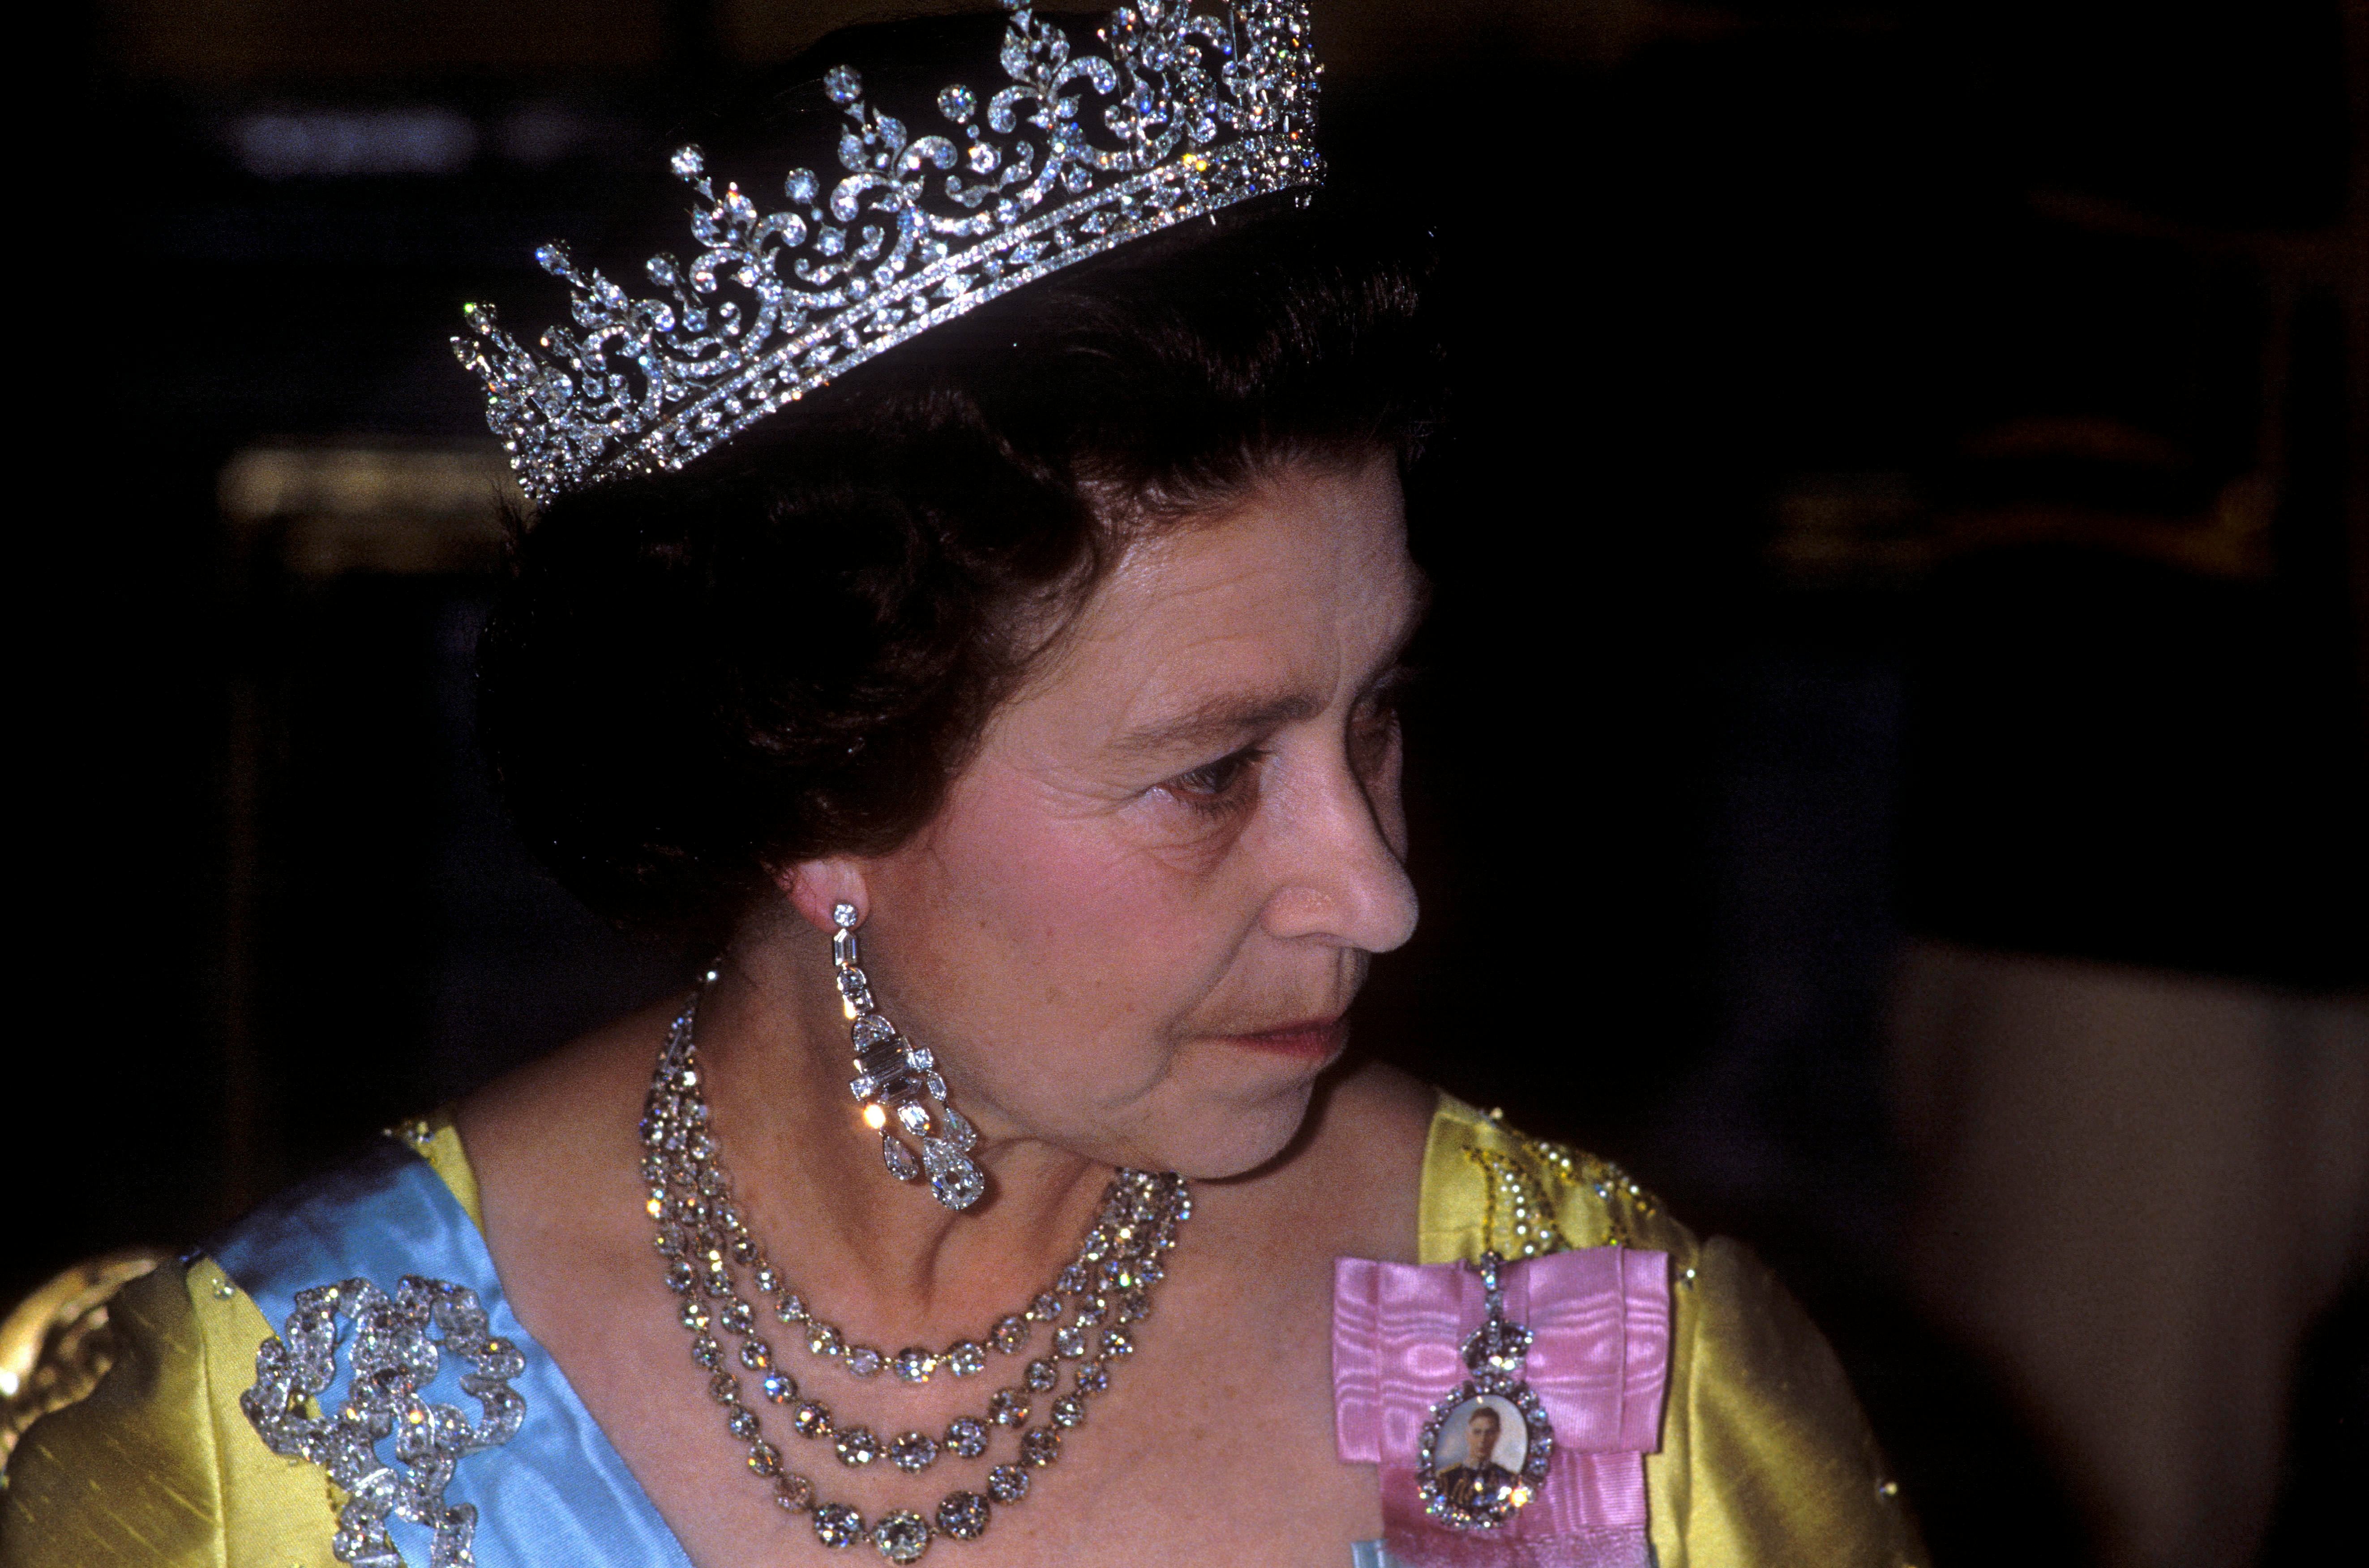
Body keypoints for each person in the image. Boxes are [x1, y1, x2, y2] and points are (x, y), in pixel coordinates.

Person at [0, 5, 1924, 1566]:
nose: (1376, 888)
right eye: (1211, 771)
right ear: (819, 785)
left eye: (1379, 713)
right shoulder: (264, 1448)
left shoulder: (1569, 1365)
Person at [1435, 1405, 1518, 1513]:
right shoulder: (1446, 1479)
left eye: (1489, 1433)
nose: (1483, 1440)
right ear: (1468, 1434)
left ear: (1497, 1435)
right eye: (1477, 1432)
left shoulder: (1508, 1479)